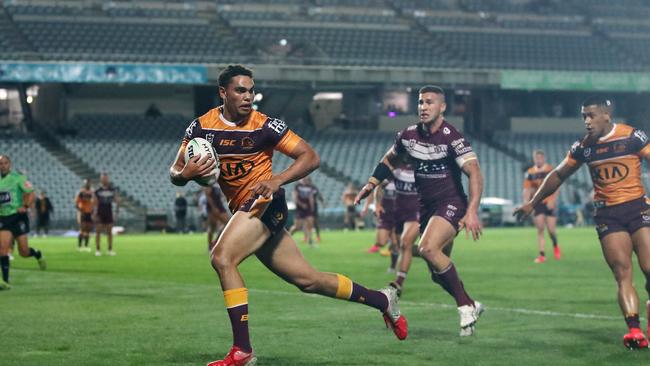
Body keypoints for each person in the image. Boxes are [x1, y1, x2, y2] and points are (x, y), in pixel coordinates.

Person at [169, 65, 407, 366]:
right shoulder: (201, 128)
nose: (248, 96)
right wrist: (185, 174)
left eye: (251, 90)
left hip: (266, 203)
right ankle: (383, 300)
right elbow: (176, 171)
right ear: (223, 93)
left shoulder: (265, 125)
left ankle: (242, 351)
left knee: (222, 257)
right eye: (240, 90)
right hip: (244, 210)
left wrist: (277, 179)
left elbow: (311, 157)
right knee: (308, 280)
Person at [514, 97, 650, 349]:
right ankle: (634, 331)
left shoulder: (632, 137)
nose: (586, 121)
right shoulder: (583, 147)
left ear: (606, 115)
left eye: (591, 115)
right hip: (608, 215)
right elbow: (558, 175)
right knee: (622, 273)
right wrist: (532, 202)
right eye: (583, 116)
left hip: (638, 208)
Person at [355, 85, 484, 336]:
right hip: (426, 209)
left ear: (442, 107)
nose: (423, 107)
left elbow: (475, 172)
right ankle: (472, 303)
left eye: (429, 102)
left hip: (451, 203)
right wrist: (371, 184)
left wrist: (472, 211)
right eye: (421, 102)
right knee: (438, 272)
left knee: (427, 249)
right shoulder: (408, 135)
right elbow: (390, 159)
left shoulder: (452, 138)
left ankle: (464, 306)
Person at [0, 155, 46, 290]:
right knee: (3, 249)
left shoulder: (18, 178)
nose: (2, 165)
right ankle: (5, 281)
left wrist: (25, 206)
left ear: (10, 164)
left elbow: (31, 194)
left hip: (18, 217)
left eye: (5, 163)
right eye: (0, 163)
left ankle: (37, 254)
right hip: (3, 218)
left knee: (23, 252)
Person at [522, 150, 561, 263]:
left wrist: (553, 199)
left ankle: (555, 245)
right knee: (540, 229)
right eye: (536, 158)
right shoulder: (530, 172)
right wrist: (526, 203)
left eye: (540, 158)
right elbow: (527, 189)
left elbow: (557, 185)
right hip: (537, 203)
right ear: (534, 159)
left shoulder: (550, 169)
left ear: (543, 158)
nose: (538, 160)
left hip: (549, 202)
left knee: (551, 230)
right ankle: (542, 255)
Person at [388, 163, 420, 296]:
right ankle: (429, 253)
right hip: (399, 213)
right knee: (401, 247)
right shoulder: (395, 167)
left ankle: (399, 282)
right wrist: (377, 204)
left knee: (405, 243)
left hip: (417, 212)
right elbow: (379, 184)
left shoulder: (423, 166)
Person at [364, 179, 397, 258]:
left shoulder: (405, 176)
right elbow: (377, 188)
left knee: (395, 243)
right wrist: (377, 205)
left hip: (398, 213)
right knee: (381, 242)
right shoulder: (385, 177)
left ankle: (393, 266)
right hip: (385, 213)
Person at [93, 173, 120, 256]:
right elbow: (94, 202)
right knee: (98, 231)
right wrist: (94, 213)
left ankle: (110, 249)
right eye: (103, 178)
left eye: (106, 178)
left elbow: (117, 200)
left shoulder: (112, 190)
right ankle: (98, 249)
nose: (105, 180)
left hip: (109, 211)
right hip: (100, 212)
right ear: (101, 179)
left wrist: (117, 211)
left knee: (109, 232)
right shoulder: (97, 190)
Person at [290, 178, 316, 246]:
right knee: (297, 227)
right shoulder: (298, 186)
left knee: (310, 224)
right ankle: (289, 236)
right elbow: (295, 197)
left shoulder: (310, 186)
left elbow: (311, 197)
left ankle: (310, 241)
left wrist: (312, 207)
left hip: (308, 209)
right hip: (300, 209)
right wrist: (301, 204)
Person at [205, 184, 229, 252]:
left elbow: (220, 193)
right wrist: (213, 207)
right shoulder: (209, 181)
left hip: (219, 205)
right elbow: (208, 195)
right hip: (213, 207)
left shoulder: (218, 180)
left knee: (227, 224)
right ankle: (210, 245)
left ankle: (215, 242)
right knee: (212, 227)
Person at [75, 179, 94, 251]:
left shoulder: (92, 192)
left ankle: (86, 246)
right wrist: (80, 211)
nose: (87, 184)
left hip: (89, 213)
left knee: (88, 230)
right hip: (83, 212)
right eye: (86, 183)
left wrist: (93, 210)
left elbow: (94, 202)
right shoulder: (81, 192)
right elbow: (76, 203)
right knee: (82, 229)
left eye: (88, 183)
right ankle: (79, 246)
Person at [305, 176, 324, 243]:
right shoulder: (303, 188)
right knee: (307, 222)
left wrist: (322, 203)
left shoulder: (314, 188)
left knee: (316, 222)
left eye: (307, 180)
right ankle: (306, 237)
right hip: (306, 207)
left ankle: (318, 236)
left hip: (314, 207)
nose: (306, 181)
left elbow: (319, 195)